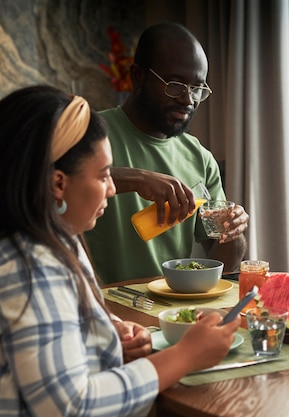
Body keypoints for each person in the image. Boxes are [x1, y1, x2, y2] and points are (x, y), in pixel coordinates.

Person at [0, 86, 241, 416]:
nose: (113, 188)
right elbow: (72, 406)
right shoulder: (31, 269)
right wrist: (184, 356)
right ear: (58, 183)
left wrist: (110, 330)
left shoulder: (61, 242)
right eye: (103, 177)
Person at [85, 22, 249, 284]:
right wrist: (136, 179)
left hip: (170, 313)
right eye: (175, 85)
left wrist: (234, 233)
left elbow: (224, 268)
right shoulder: (89, 132)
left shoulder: (200, 159)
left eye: (197, 88)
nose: (188, 100)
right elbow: (46, 188)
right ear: (138, 76)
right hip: (99, 307)